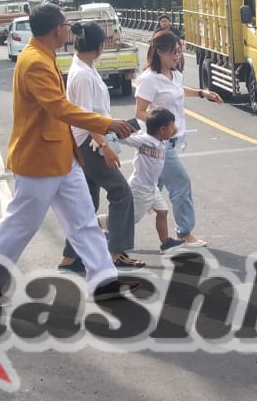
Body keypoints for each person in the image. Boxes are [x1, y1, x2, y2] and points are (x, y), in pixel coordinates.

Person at [0, 4, 141, 307]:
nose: (68, 30)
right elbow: (59, 108)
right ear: (56, 30)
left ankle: (103, 281)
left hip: (63, 157)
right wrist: (105, 124)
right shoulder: (35, 60)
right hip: (39, 160)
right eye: (65, 24)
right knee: (22, 223)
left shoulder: (42, 55)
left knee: (84, 221)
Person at [55, 22, 143, 275]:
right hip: (89, 142)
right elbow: (84, 116)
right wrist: (104, 146)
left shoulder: (84, 68)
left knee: (88, 203)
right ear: (100, 45)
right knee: (120, 193)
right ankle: (116, 251)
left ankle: (70, 258)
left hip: (89, 140)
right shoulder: (82, 75)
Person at [133, 30, 223, 252]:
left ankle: (108, 225)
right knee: (181, 184)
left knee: (143, 198)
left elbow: (178, 90)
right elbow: (140, 112)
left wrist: (202, 93)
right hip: (158, 145)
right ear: (160, 52)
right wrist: (160, 128)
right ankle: (185, 233)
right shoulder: (148, 80)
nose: (178, 56)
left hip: (170, 143)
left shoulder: (175, 74)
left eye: (180, 51)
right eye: (174, 52)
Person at [113, 107, 182, 254]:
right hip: (139, 188)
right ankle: (98, 226)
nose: (174, 130)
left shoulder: (163, 140)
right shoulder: (144, 140)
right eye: (171, 126)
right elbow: (123, 138)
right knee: (130, 219)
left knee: (162, 211)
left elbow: (174, 131)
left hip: (152, 187)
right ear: (162, 129)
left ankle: (165, 243)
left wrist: (171, 127)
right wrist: (119, 129)